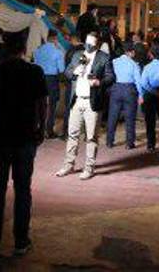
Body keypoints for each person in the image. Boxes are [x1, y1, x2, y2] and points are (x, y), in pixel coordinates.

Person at [0, 31, 47, 256]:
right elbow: (42, 102)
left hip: (0, 135)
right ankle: (21, 241)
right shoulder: (34, 71)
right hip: (25, 135)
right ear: (23, 49)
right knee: (22, 189)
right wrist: (41, 128)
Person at [56, 33, 112, 180]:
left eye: (91, 45)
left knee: (91, 137)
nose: (88, 47)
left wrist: (99, 82)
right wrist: (75, 72)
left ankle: (89, 168)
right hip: (77, 100)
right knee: (72, 134)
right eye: (86, 43)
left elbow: (111, 77)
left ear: (97, 45)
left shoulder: (103, 58)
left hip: (92, 102)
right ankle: (68, 165)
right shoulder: (77, 55)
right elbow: (67, 72)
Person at [107, 42, 143, 149]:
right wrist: (141, 95)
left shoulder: (114, 61)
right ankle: (129, 143)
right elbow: (138, 81)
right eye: (133, 53)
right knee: (130, 118)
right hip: (130, 90)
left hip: (116, 89)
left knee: (112, 116)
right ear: (130, 52)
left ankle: (109, 141)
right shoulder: (134, 65)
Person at [138, 42, 159, 152]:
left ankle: (151, 145)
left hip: (150, 96)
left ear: (151, 54)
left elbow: (143, 83)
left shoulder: (147, 67)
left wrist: (153, 92)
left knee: (150, 122)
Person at [31, 29, 65, 138]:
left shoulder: (37, 50)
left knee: (38, 104)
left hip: (38, 78)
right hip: (51, 79)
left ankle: (37, 129)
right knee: (52, 105)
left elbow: (35, 65)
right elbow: (61, 69)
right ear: (55, 38)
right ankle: (49, 130)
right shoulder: (58, 52)